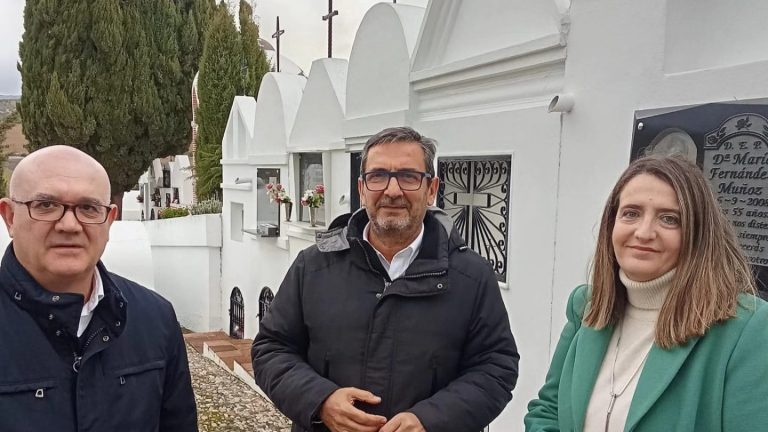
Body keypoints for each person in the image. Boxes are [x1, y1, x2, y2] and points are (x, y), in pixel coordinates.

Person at [252, 127, 519, 432]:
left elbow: (496, 367)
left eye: (408, 176)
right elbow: (270, 349)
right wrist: (321, 401)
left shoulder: (470, 277)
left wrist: (431, 420)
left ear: (431, 189)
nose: (392, 191)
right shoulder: (313, 267)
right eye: (378, 176)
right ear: (362, 188)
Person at [525, 156, 768, 432]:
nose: (644, 232)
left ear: (698, 233)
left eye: (669, 219)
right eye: (631, 213)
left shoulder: (746, 328)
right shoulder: (586, 306)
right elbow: (547, 411)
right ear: (610, 224)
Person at [0, 146, 197, 431]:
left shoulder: (155, 318)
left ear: (110, 219)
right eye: (45, 205)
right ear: (9, 217)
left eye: (88, 208)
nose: (69, 225)